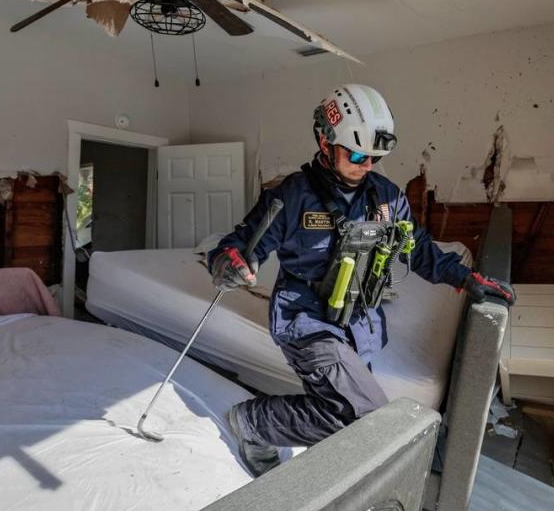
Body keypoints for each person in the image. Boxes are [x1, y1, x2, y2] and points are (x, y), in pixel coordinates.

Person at [208, 84, 515, 477]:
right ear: (325, 140)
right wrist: (228, 262)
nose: (366, 164)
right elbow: (240, 243)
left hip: (359, 323)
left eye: (374, 157)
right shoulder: (291, 197)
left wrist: (466, 278)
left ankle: (314, 443)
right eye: (356, 155)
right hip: (308, 321)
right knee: (363, 417)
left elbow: (416, 248)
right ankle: (254, 424)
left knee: (343, 405)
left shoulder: (386, 196)